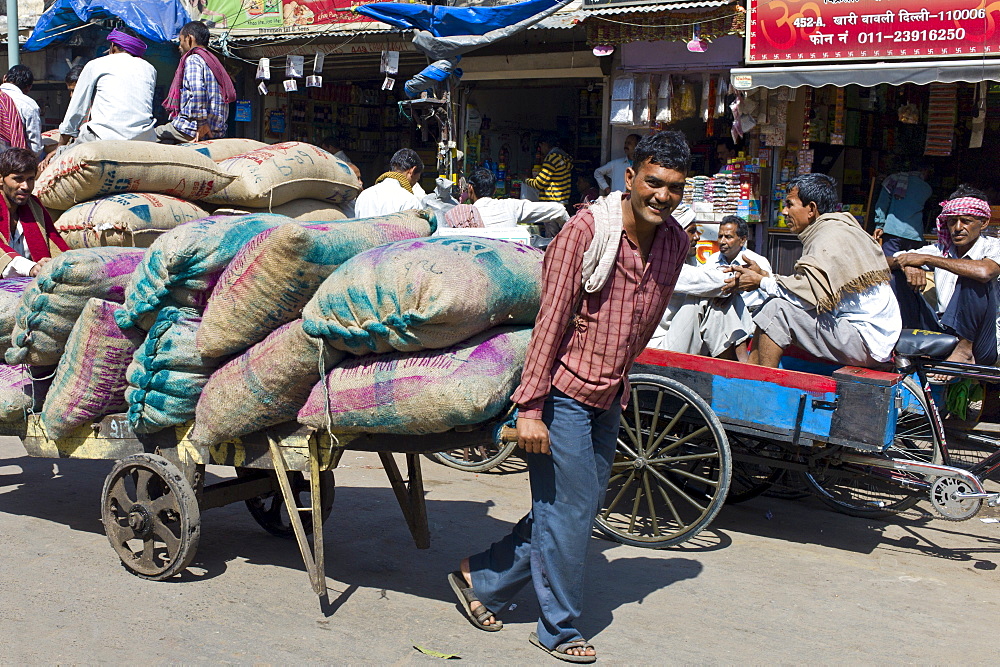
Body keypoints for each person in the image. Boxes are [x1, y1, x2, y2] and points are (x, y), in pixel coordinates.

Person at [449, 131, 691, 663]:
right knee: (570, 510)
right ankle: (557, 628)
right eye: (653, 183)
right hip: (562, 392)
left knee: (572, 510)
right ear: (630, 179)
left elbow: (643, 322)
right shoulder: (585, 233)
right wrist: (530, 408)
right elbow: (551, 322)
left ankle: (479, 576)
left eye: (674, 188)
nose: (662, 197)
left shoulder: (675, 241)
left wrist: (619, 383)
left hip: (609, 393)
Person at [727, 173, 901, 369]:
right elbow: (809, 287)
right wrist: (765, 277)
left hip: (865, 341)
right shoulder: (839, 228)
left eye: (790, 204)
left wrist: (761, 282)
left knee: (776, 310)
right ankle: (751, 372)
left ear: (811, 209)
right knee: (774, 305)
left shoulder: (827, 236)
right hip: (871, 338)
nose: (784, 211)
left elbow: (806, 296)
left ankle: (763, 385)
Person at [893, 186, 1000, 367]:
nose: (957, 228)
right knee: (896, 274)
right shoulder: (940, 250)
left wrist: (926, 259)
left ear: (983, 223)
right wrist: (908, 265)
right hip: (942, 331)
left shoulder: (994, 247)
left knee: (973, 273)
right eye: (952, 222)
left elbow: (985, 272)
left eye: (966, 221)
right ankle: (903, 343)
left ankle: (964, 351)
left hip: (981, 341)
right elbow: (885, 260)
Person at [648, 210, 755, 360]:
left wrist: (734, 285)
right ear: (675, 235)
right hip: (660, 346)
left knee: (724, 295)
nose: (697, 237)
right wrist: (741, 279)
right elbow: (706, 282)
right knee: (707, 298)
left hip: (683, 335)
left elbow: (710, 281)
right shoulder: (663, 265)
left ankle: (742, 362)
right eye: (692, 231)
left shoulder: (687, 261)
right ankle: (737, 366)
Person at [57, 29, 157, 146]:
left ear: (113, 46)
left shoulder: (95, 64)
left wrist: (61, 146)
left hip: (103, 137)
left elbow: (76, 110)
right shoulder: (150, 69)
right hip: (145, 138)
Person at [157, 21, 237, 143]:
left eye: (181, 41)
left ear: (189, 39)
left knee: (153, 134)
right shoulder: (213, 62)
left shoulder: (193, 59)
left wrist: (202, 124)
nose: (179, 46)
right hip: (216, 130)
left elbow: (198, 92)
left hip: (192, 129)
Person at [0, 148, 68, 278]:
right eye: (18, 179)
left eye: (30, 179)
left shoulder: (34, 207)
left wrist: (53, 263)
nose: (25, 186)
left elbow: (55, 242)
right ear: (1, 180)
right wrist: (30, 268)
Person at [445, 168, 568, 233]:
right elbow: (559, 210)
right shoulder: (510, 206)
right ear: (494, 191)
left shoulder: (461, 215)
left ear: (470, 188)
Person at [710, 215, 772, 311]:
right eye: (720, 236)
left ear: (742, 240)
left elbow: (770, 295)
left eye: (728, 237)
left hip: (750, 314)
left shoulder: (757, 262)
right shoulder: (712, 260)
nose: (722, 241)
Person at [353, 148, 423, 218]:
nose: (413, 185)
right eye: (416, 180)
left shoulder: (364, 195)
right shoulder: (410, 200)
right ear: (412, 171)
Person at [1, 65, 41, 155]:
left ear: (4, 78)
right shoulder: (29, 104)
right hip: (11, 162)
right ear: (29, 87)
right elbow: (36, 147)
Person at [526, 134, 572, 207]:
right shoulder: (564, 157)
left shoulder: (551, 158)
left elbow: (539, 183)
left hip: (552, 203)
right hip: (563, 201)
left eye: (540, 147)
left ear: (544, 144)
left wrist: (525, 180)